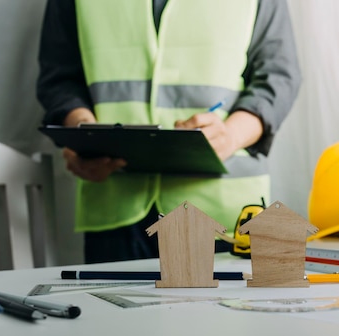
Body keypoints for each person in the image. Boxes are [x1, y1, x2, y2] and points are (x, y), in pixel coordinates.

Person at [37, 0, 301, 263]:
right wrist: (83, 134)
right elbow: (59, 77)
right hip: (113, 205)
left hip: (222, 215)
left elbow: (278, 77)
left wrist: (231, 135)